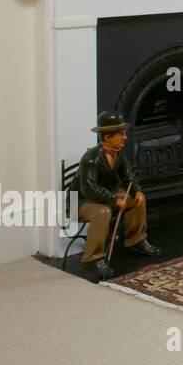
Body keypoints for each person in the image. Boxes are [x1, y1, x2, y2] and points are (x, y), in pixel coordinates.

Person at [74, 111, 160, 280]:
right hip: (81, 201)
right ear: (107, 137)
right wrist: (114, 200)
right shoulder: (91, 159)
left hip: (104, 196)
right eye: (121, 134)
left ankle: (136, 240)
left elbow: (128, 176)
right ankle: (93, 258)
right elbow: (89, 189)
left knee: (137, 201)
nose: (125, 137)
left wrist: (137, 191)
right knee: (103, 212)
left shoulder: (118, 153)